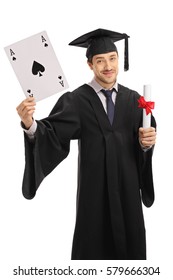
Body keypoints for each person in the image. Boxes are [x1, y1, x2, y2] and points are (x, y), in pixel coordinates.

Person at [16, 28, 156, 260]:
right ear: (90, 65)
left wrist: (146, 144)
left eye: (112, 58)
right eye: (100, 61)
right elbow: (50, 132)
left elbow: (146, 140)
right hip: (94, 199)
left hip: (128, 197)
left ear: (119, 59)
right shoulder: (77, 100)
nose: (108, 66)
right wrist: (30, 124)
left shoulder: (134, 101)